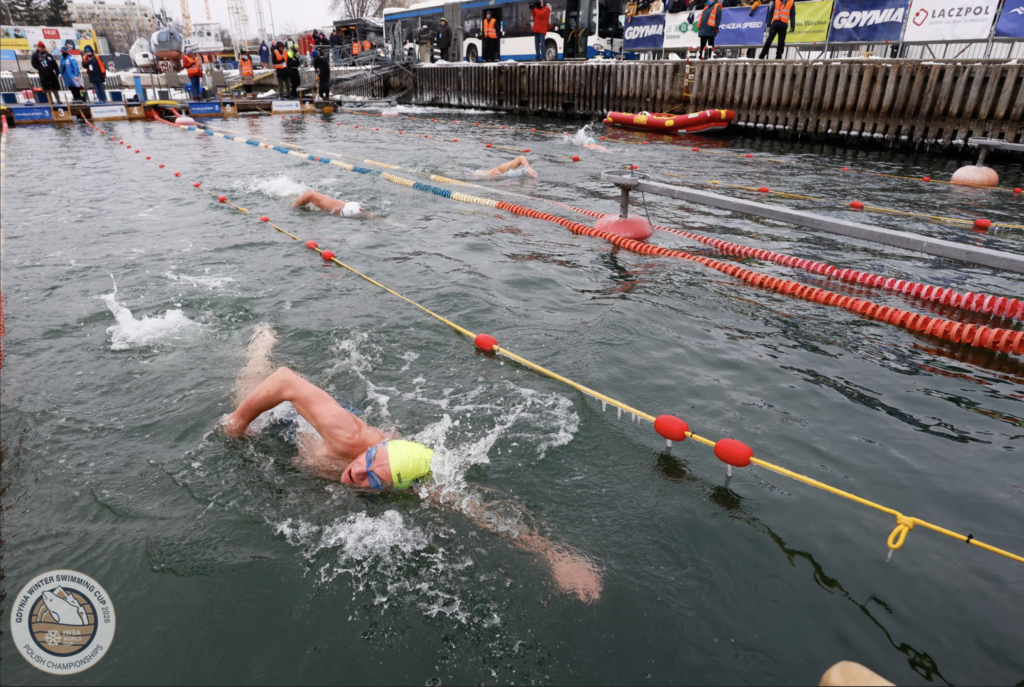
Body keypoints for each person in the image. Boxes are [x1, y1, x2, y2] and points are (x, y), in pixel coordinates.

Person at [222, 324, 603, 603]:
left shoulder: (412, 484)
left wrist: (555, 555)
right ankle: (263, 340)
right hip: (293, 420)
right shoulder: (348, 438)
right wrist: (238, 425)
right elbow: (283, 381)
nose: (358, 474)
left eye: (374, 481)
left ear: (393, 486)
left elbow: (481, 510)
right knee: (252, 378)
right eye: (368, 463)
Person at [291, 190, 364, 217]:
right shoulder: (332, 207)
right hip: (305, 196)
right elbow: (309, 194)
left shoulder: (357, 211)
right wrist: (293, 206)